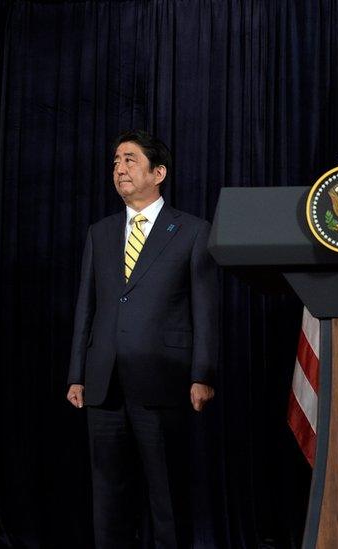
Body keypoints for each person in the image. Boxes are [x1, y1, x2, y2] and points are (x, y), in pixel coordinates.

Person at [66, 130, 218, 548]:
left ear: (159, 172)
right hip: (104, 383)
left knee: (167, 496)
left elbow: (205, 310)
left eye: (130, 160)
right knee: (109, 497)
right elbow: (87, 307)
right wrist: (76, 373)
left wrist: (202, 374)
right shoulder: (100, 232)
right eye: (116, 161)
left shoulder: (192, 231)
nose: (119, 169)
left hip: (164, 382)